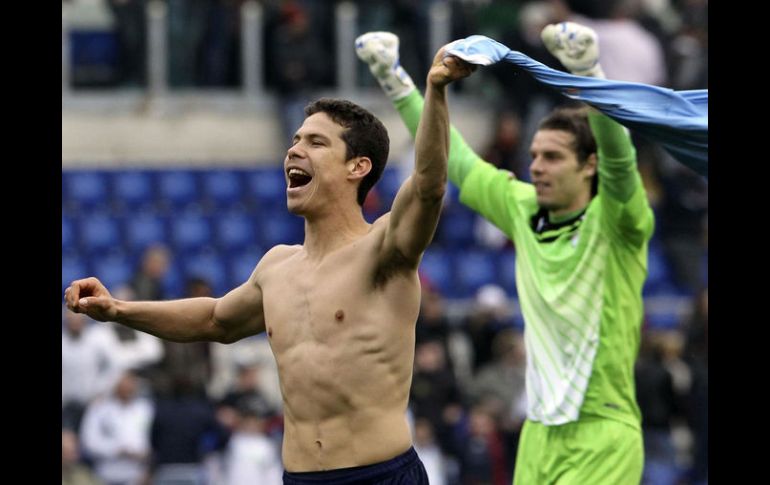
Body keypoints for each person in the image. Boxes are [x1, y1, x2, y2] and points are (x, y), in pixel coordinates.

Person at [65, 46, 476, 483]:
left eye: (315, 142)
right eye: (295, 139)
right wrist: (118, 311)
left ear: (358, 166)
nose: (295, 150)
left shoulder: (384, 250)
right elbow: (214, 320)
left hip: (380, 475)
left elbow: (429, 186)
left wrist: (435, 91)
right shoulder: (277, 267)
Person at [356, 21, 653, 484]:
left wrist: (588, 73)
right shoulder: (522, 208)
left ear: (589, 166)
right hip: (537, 434)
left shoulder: (618, 220)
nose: (536, 167)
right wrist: (397, 79)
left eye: (552, 157)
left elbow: (620, 158)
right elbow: (454, 160)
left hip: (603, 432)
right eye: (534, 155)